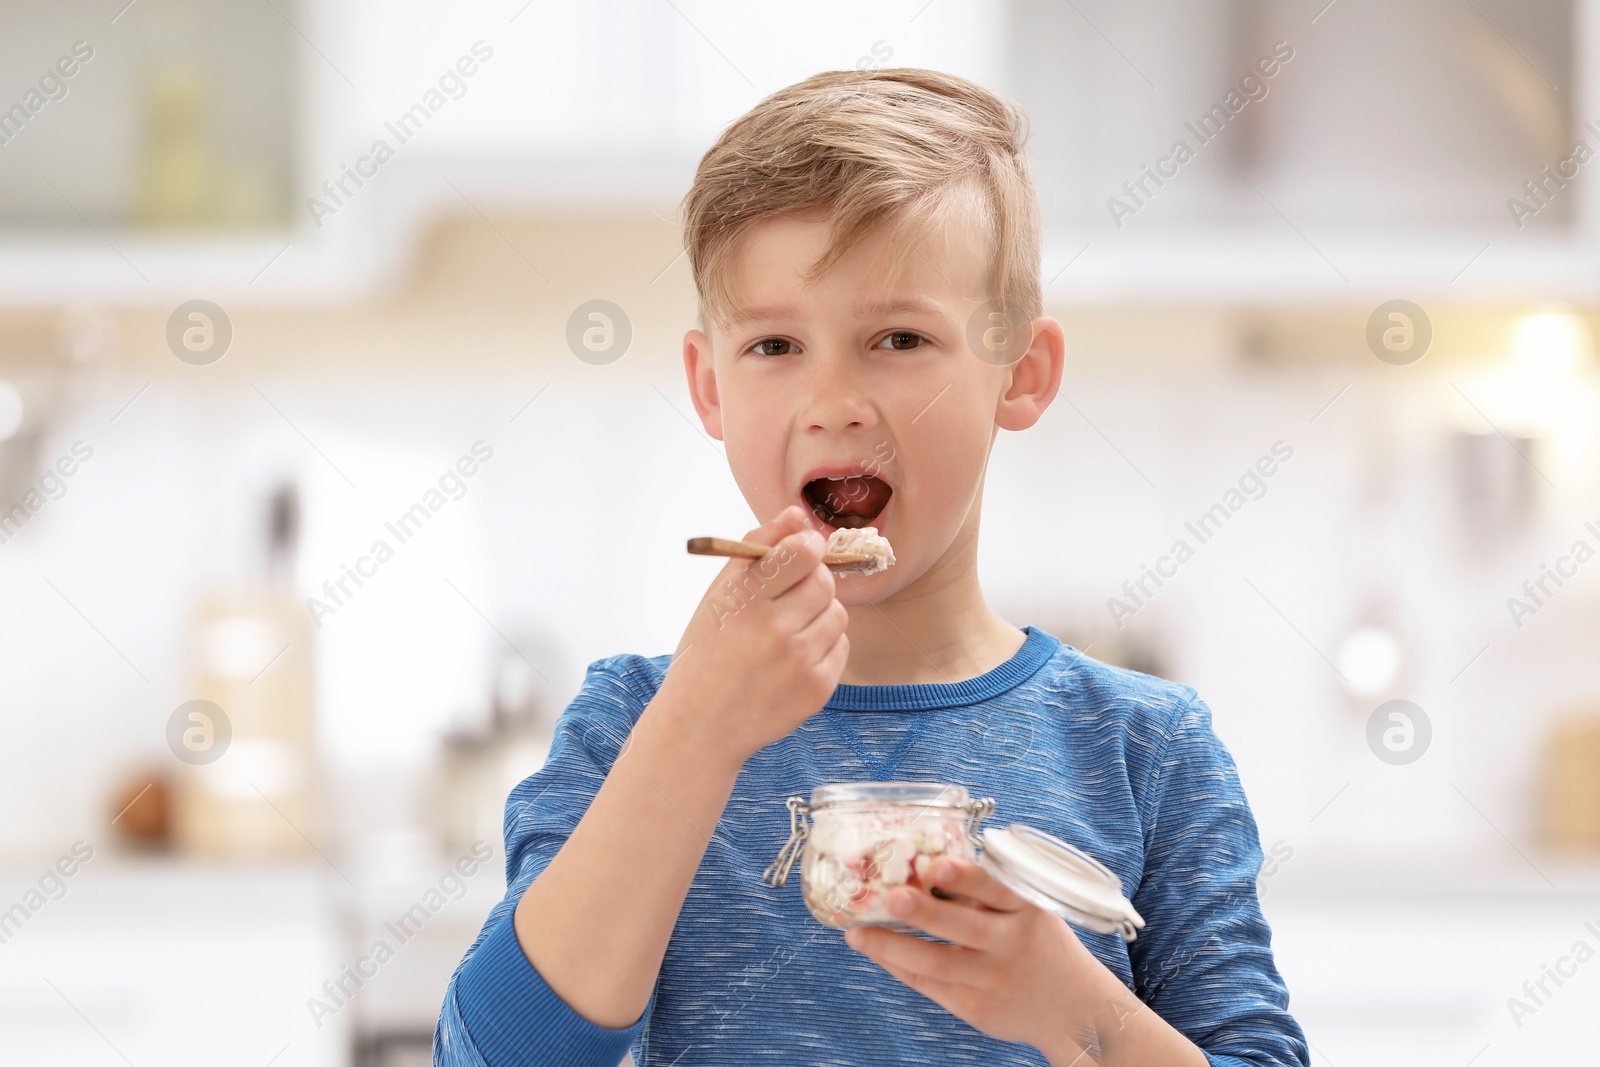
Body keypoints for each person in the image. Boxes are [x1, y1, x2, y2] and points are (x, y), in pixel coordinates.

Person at [435, 67, 1310, 1066]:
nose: (834, 399)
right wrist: (695, 731)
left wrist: (1079, 1010)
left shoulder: (1147, 754)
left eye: (898, 337)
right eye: (773, 343)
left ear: (1020, 374)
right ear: (707, 385)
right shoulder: (634, 723)